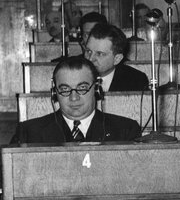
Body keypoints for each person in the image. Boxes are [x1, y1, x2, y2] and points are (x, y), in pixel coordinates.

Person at [10, 58, 141, 144]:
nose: (74, 98)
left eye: (82, 88)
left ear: (96, 89)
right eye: (65, 89)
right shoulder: (28, 132)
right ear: (54, 92)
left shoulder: (125, 130)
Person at [85, 23, 149, 92]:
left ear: (117, 59)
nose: (90, 58)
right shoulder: (73, 73)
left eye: (99, 54)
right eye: (88, 51)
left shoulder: (135, 81)